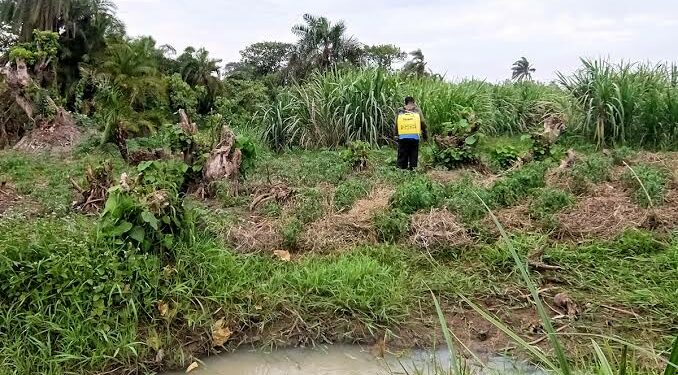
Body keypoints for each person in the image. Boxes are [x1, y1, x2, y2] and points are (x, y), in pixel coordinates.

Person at [395, 96, 428, 170]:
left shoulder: (400, 111)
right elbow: (422, 122)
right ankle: (412, 169)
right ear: (413, 102)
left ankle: (401, 170)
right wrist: (425, 135)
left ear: (405, 103)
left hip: (403, 137)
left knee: (402, 154)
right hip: (414, 136)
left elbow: (396, 124)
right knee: (413, 154)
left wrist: (396, 135)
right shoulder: (417, 110)